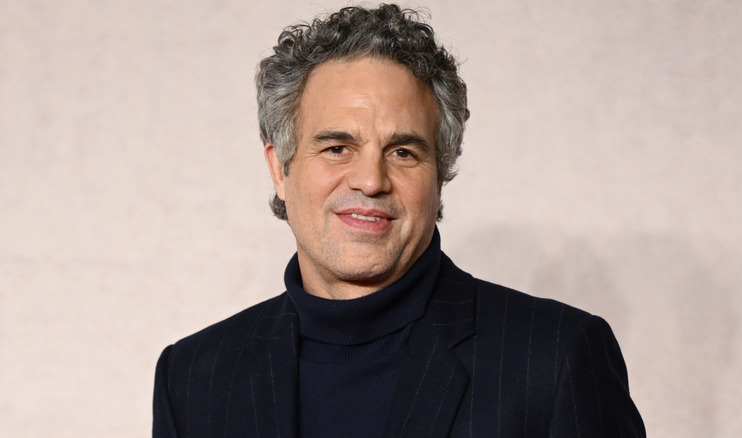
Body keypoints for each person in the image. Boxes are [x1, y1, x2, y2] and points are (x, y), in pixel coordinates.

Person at [152, 4, 646, 437]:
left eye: (404, 152)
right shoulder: (193, 377)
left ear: (440, 175)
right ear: (280, 169)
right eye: (337, 147)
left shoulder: (556, 358)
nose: (371, 181)